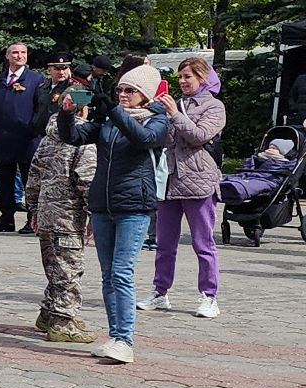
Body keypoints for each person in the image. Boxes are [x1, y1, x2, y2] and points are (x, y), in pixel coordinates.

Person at [57, 64, 172, 364]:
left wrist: (113, 111)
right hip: (103, 205)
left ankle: (125, 340)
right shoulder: (110, 120)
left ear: (145, 94)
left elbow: (142, 139)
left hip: (134, 205)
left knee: (122, 272)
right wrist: (66, 113)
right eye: (119, 89)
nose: (122, 94)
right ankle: (115, 336)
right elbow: (73, 136)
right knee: (108, 275)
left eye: (130, 90)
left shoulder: (158, 120)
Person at [149, 57, 226, 318]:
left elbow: (199, 136)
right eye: (180, 77)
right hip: (169, 180)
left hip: (199, 181)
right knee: (164, 242)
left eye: (187, 77)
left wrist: (174, 114)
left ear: (202, 78)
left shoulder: (214, 106)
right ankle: (160, 292)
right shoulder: (173, 102)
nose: (182, 81)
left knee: (202, 243)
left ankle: (209, 296)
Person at [28, 76, 97, 343]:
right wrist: (93, 215)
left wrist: (33, 210)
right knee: (69, 269)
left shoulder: (48, 137)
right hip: (68, 215)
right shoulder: (83, 139)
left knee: (54, 266)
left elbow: (33, 177)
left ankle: (48, 312)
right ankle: (63, 320)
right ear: (84, 108)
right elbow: (87, 180)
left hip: (47, 213)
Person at [0, 43, 45, 234]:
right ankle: (6, 219)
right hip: (2, 139)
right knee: (4, 181)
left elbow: (41, 109)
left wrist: (33, 129)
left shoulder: (36, 80)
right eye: (15, 52)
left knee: (30, 183)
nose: (19, 56)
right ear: (7, 56)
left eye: (23, 52)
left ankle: (32, 220)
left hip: (27, 140)